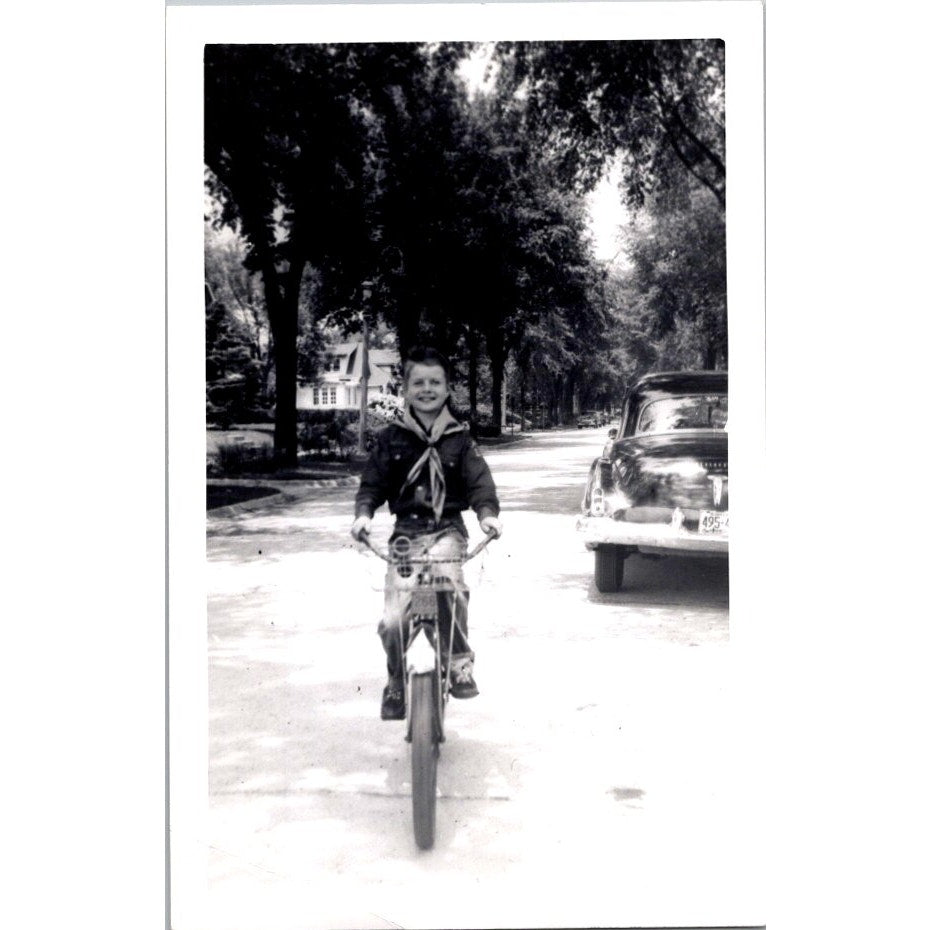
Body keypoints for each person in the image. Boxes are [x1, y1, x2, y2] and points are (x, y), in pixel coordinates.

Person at [351, 346, 503, 720]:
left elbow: (480, 483)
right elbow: (372, 484)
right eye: (418, 382)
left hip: (446, 531)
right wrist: (364, 515)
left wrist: (487, 515)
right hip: (406, 535)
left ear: (448, 389)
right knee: (393, 621)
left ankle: (458, 662)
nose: (427, 389)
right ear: (405, 389)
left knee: (447, 584)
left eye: (435, 382)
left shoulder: (460, 440)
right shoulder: (390, 439)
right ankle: (396, 680)